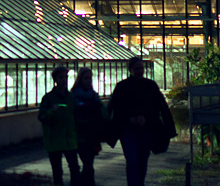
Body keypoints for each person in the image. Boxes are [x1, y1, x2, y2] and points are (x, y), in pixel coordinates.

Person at [108, 57, 175, 186]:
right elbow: (161, 107)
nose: (139, 71)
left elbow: (114, 109)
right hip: (135, 128)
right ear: (130, 70)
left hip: (139, 128)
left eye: (141, 68)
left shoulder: (125, 86)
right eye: (137, 69)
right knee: (135, 160)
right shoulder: (147, 85)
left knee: (139, 160)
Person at [40, 66, 80, 186]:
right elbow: (42, 117)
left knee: (74, 168)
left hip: (69, 139)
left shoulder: (71, 97)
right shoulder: (48, 98)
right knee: (58, 171)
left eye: (66, 77)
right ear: (55, 79)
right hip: (55, 141)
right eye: (61, 77)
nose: (64, 80)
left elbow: (75, 115)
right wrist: (52, 111)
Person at [72, 67, 105, 186]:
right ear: (80, 79)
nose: (89, 81)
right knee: (88, 165)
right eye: (86, 78)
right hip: (80, 135)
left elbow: (101, 111)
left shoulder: (93, 95)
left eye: (90, 78)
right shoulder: (74, 96)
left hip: (92, 134)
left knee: (89, 164)